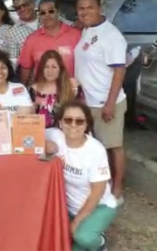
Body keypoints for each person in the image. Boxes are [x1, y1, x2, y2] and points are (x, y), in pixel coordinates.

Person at [74, 0, 127, 204]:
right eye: (81, 8)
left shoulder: (111, 36)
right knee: (96, 147)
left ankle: (117, 190)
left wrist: (110, 104)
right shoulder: (87, 29)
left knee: (113, 146)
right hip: (88, 101)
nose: (85, 11)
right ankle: (100, 187)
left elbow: (119, 71)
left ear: (100, 8)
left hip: (106, 101)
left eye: (90, 7)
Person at [45, 100, 117, 251]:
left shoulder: (96, 151)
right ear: (60, 123)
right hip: (69, 207)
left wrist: (77, 221)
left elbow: (97, 192)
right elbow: (28, 133)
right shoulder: (55, 135)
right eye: (68, 120)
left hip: (99, 206)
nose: (73, 125)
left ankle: (100, 243)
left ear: (86, 125)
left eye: (79, 121)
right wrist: (44, 142)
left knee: (82, 237)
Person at [19, 0, 81, 84]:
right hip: (43, 94)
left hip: (71, 92)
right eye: (43, 13)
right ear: (39, 16)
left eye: (51, 11)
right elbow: (25, 68)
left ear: (58, 12)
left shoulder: (76, 35)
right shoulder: (31, 40)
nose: (47, 15)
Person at [7, 0, 74, 68]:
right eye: (18, 8)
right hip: (35, 76)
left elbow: (71, 25)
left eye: (25, 5)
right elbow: (13, 62)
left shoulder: (48, 15)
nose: (22, 9)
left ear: (32, 4)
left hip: (61, 69)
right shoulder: (12, 33)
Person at [29, 50, 83, 128]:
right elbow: (30, 117)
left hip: (68, 131)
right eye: (46, 67)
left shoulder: (72, 85)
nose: (50, 71)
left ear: (60, 69)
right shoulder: (34, 89)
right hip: (43, 133)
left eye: (54, 67)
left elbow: (81, 111)